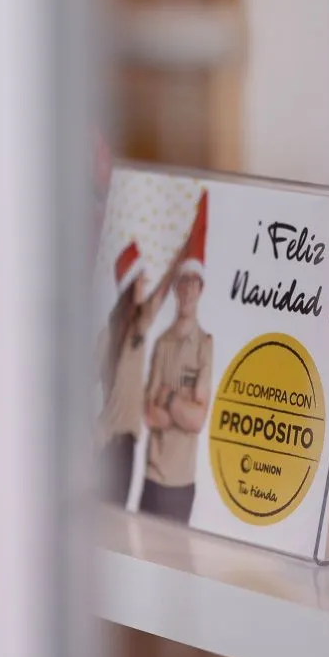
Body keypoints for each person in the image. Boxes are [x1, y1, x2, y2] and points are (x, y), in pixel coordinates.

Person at [141, 194, 212, 522]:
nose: (187, 291)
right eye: (182, 283)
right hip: (152, 478)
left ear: (201, 289)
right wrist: (183, 407)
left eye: (193, 284)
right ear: (175, 289)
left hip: (181, 483)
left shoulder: (205, 346)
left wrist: (167, 398)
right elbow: (149, 415)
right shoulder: (162, 343)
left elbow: (198, 421)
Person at [97, 239, 183, 505]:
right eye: (141, 279)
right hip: (109, 445)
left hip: (126, 446)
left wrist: (180, 257)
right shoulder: (112, 334)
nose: (145, 284)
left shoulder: (138, 328)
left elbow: (161, 292)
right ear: (130, 283)